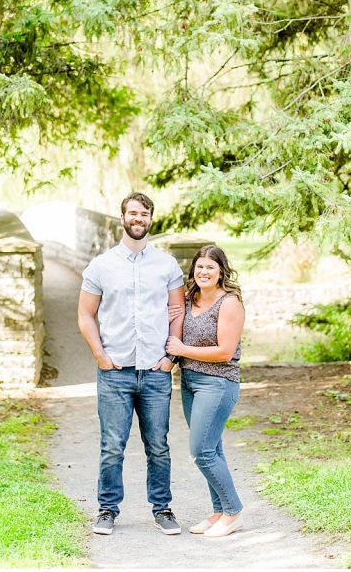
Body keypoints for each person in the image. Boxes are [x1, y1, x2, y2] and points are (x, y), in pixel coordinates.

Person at [78, 191, 186, 536]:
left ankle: (163, 509)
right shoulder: (101, 266)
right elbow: (85, 315)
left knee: (159, 445)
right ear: (122, 217)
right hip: (116, 373)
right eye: (133, 213)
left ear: (151, 219)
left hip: (155, 372)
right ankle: (107, 510)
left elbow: (177, 312)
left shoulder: (167, 265)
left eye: (144, 214)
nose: (138, 219)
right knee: (112, 446)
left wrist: (171, 358)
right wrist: (101, 356)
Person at [164, 245, 246, 538]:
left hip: (218, 383)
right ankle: (219, 512)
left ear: (221, 271)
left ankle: (234, 512)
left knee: (201, 451)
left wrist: (182, 350)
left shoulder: (229, 303)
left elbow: (225, 351)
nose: (204, 272)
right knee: (214, 449)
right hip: (189, 382)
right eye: (200, 267)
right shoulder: (188, 299)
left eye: (211, 267)